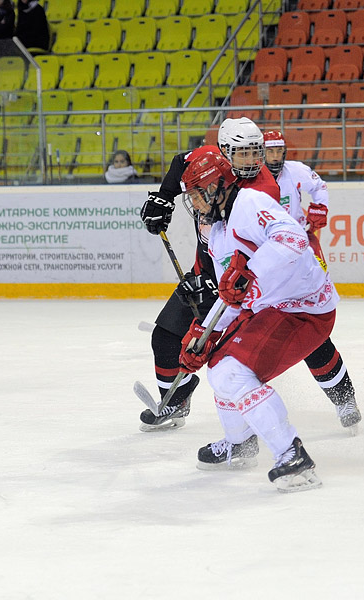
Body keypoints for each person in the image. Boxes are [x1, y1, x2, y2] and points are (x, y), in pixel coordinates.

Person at [178, 149, 336, 491]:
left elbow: (293, 238)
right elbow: (232, 296)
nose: (192, 203)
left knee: (233, 372)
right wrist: (205, 335)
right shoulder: (218, 233)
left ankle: (293, 457)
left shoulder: (249, 202)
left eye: (194, 193)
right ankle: (240, 444)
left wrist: (251, 272)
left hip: (304, 308)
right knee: (218, 363)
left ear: (216, 186)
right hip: (273, 307)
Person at [137, 120, 281, 433]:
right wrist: (163, 198)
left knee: (226, 360)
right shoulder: (206, 162)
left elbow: (260, 257)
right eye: (241, 154)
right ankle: (175, 401)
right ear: (224, 152)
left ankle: (246, 433)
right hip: (207, 270)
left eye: (256, 153)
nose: (251, 161)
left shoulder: (261, 192)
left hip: (241, 283)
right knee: (164, 337)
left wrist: (215, 284)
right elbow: (181, 163)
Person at [263, 129, 361, 429]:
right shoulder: (249, 182)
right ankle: (249, 410)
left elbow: (320, 188)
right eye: (270, 152)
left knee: (312, 328)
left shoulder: (297, 171)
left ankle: (345, 400)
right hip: (267, 260)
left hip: (300, 252)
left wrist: (319, 208)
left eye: (280, 151)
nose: (276, 157)